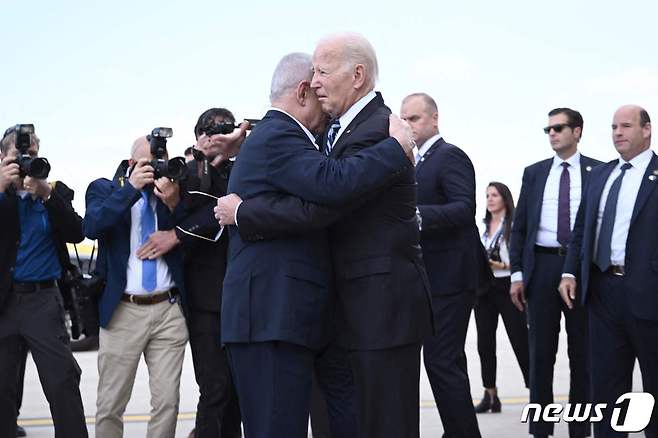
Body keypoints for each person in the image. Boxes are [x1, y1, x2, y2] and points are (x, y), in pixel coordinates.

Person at [217, 50, 419, 438]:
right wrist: (395, 149)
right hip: (269, 320)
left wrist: (244, 213)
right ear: (304, 91)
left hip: (284, 321)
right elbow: (331, 186)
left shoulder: (273, 135)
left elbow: (316, 208)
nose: (326, 105)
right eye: (319, 79)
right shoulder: (280, 134)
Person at [559, 105, 657, 438]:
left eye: (626, 126)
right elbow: (581, 229)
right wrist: (569, 272)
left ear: (647, 130)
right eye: (614, 126)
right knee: (606, 388)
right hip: (602, 293)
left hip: (648, 294)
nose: (617, 132)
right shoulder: (601, 175)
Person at [84, 135, 188, 438]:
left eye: (160, 162)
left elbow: (190, 231)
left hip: (168, 310)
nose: (155, 169)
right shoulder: (104, 188)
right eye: (148, 163)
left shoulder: (169, 191)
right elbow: (91, 227)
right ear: (131, 164)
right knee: (111, 403)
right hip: (123, 311)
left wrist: (173, 201)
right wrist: (130, 189)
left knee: (168, 402)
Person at [509, 107, 601, 438]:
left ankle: (580, 429)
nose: (552, 134)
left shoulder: (598, 172)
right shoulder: (534, 173)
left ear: (577, 131)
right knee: (540, 355)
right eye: (548, 129)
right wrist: (517, 274)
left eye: (559, 128)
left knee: (583, 354)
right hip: (542, 267)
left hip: (581, 271)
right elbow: (519, 229)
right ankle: (540, 430)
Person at [400, 92, 488, 437]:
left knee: (440, 361)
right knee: (447, 361)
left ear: (434, 119)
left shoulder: (450, 156)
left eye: (415, 118)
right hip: (432, 279)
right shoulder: (414, 161)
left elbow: (464, 209)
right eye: (404, 119)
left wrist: (417, 216)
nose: (408, 125)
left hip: (452, 279)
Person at [0, 125, 88, 438]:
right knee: (3, 389)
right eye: (18, 156)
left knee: (62, 381)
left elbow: (78, 232)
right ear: (2, 158)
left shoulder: (54, 193)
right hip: (5, 303)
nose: (26, 161)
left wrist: (47, 195)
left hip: (43, 302)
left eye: (32, 155)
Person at [179, 108, 244, 438]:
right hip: (205, 301)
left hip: (243, 299)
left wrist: (234, 154)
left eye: (223, 131)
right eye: (208, 131)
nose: (215, 136)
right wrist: (201, 163)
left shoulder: (245, 169)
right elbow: (184, 217)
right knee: (215, 388)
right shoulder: (187, 173)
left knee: (239, 393)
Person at [473, 182, 529, 413]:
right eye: (487, 195)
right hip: (485, 287)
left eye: (494, 195)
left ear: (505, 198)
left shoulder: (514, 226)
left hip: (509, 285)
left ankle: (535, 390)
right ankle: (490, 394)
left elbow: (520, 258)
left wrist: (501, 264)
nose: (490, 199)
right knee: (485, 343)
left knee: (520, 339)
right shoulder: (484, 227)